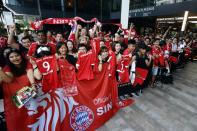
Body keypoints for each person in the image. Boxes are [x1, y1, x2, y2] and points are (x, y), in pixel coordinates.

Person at [0, 49, 35, 131]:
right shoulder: (7, 68)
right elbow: (9, 80)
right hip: (14, 102)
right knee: (18, 122)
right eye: (11, 57)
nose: (15, 58)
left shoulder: (27, 62)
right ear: (8, 59)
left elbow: (30, 72)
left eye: (17, 55)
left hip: (30, 99)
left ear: (21, 56)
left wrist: (33, 85)